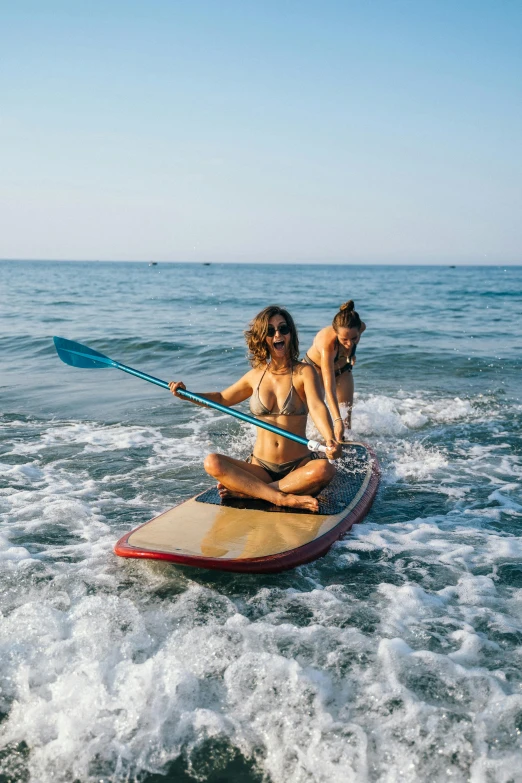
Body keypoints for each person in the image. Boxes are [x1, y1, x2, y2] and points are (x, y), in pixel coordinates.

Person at [169, 305, 342, 513]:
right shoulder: (255, 375)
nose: (277, 334)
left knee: (325, 469)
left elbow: (316, 405)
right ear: (262, 337)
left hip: (298, 466)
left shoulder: (304, 372)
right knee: (212, 462)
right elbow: (222, 398)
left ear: (290, 334)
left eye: (283, 329)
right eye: (270, 331)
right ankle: (281, 497)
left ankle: (253, 491)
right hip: (261, 467)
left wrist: (330, 438)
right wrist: (188, 395)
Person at [303, 300, 366, 439]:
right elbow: (329, 387)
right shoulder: (327, 344)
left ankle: (344, 445)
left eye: (354, 338)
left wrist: (352, 354)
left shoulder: (361, 327)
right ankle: (318, 442)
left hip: (343, 369)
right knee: (319, 415)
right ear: (335, 332)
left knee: (346, 420)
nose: (349, 343)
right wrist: (336, 421)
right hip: (315, 370)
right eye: (344, 340)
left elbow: (352, 342)